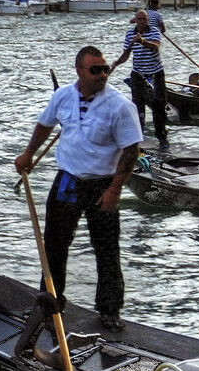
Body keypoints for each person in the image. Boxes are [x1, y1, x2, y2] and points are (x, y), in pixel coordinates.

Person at [13, 45, 144, 332]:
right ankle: (50, 301)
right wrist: (29, 153)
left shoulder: (120, 106)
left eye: (106, 69)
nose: (103, 74)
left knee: (106, 248)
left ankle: (109, 310)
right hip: (68, 181)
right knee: (54, 245)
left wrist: (115, 190)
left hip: (103, 185)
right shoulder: (63, 97)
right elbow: (44, 125)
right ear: (80, 71)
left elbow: (131, 151)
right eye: (95, 70)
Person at [114, 0, 170, 147]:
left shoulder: (155, 32)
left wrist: (142, 41)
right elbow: (126, 54)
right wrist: (116, 63)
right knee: (137, 107)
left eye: (143, 19)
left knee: (159, 106)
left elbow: (155, 46)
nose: (141, 22)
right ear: (136, 20)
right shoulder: (129, 34)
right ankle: (137, 138)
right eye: (139, 19)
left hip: (156, 72)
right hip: (138, 73)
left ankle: (162, 137)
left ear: (147, 20)